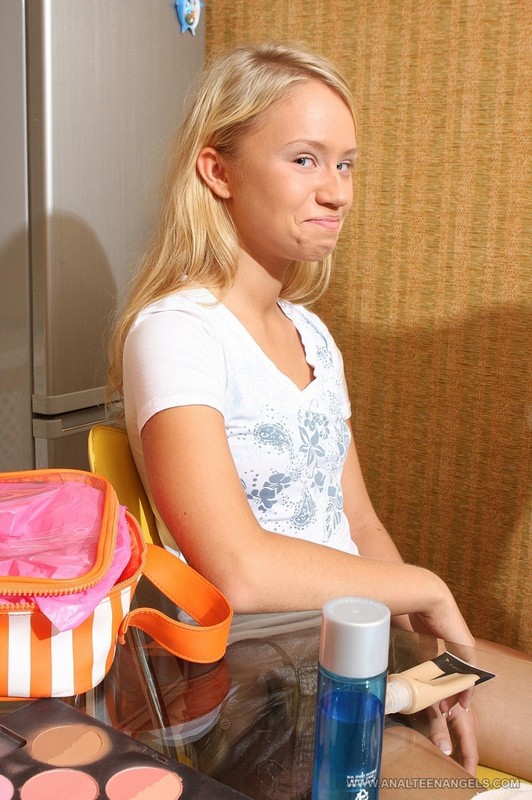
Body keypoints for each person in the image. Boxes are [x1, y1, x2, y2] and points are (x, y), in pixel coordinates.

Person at [108, 42, 531, 782]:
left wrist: (428, 657)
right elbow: (236, 569)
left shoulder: (312, 337)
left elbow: (358, 524)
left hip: (364, 641)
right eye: (305, 160)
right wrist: (425, 588)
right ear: (218, 171)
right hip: (259, 682)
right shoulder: (177, 333)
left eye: (346, 164)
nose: (337, 192)